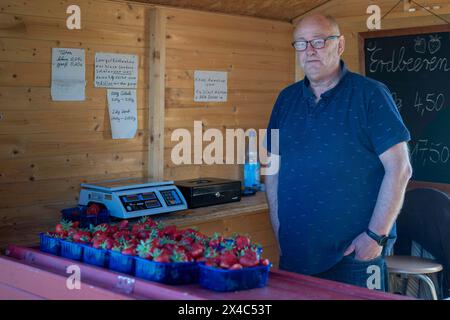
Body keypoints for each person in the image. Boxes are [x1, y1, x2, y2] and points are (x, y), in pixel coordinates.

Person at [265, 14, 413, 291]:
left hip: (355, 255)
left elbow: (400, 169)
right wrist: (279, 229)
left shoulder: (370, 95)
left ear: (340, 45)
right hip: (297, 251)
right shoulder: (286, 99)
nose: (310, 50)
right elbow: (273, 170)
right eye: (301, 43)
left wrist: (374, 237)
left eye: (319, 41)